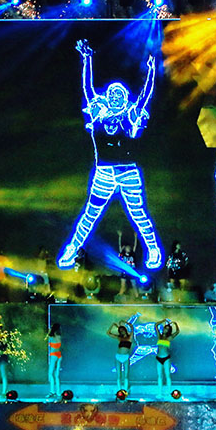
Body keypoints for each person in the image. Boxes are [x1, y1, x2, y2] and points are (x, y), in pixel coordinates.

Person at [58, 40, 163, 271]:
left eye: (120, 94)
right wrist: (87, 60)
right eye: (112, 94)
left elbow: (145, 95)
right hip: (104, 172)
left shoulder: (131, 114)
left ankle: (153, 249)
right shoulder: (98, 113)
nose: (115, 97)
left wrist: (151, 71)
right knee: (90, 214)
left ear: (125, 98)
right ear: (107, 96)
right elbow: (87, 88)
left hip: (128, 172)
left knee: (138, 213)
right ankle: (72, 249)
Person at [155, 319, 181, 395]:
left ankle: (169, 392)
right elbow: (156, 326)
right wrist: (163, 320)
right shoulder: (159, 336)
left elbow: (177, 331)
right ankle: (159, 392)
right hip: (158, 358)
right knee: (159, 376)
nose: (165, 330)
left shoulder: (169, 338)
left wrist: (175, 324)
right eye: (165, 328)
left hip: (166, 358)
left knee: (167, 375)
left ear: (169, 330)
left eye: (167, 329)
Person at [108, 322, 135, 392]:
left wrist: (125, 322)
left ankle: (125, 390)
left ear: (125, 330)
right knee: (118, 375)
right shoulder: (119, 338)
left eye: (122, 330)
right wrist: (113, 325)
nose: (122, 332)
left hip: (125, 356)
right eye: (120, 331)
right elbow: (108, 333)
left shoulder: (130, 337)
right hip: (118, 356)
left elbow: (132, 327)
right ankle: (119, 390)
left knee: (126, 376)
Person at [47, 323, 63, 398]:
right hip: (59, 355)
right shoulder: (59, 337)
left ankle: (52, 391)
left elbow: (49, 336)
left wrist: (50, 331)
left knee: (50, 374)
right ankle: (58, 392)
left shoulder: (51, 337)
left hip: (54, 355)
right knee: (56, 375)